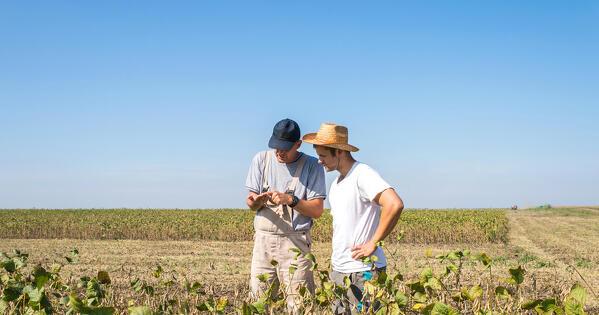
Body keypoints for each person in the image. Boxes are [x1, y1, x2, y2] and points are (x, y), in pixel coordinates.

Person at [303, 122, 404, 315]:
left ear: (339, 152)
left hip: (363, 271)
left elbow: (394, 204)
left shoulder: (362, 174)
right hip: (340, 270)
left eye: (323, 156)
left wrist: (373, 242)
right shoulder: (337, 184)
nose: (319, 161)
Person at [245, 118, 326, 311]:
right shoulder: (261, 160)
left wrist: (291, 200)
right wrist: (257, 201)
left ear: (298, 144)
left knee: (299, 304)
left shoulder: (312, 165)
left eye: (285, 149)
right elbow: (250, 202)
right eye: (276, 147)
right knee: (259, 299)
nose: (279, 153)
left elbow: (317, 210)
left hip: (295, 244)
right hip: (263, 242)